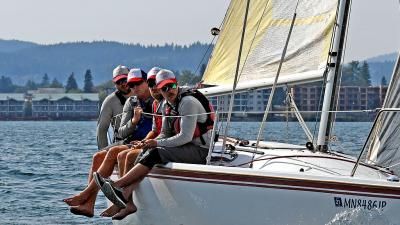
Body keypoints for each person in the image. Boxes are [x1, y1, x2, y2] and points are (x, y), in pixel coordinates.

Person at [94, 69, 215, 220]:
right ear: (159, 88)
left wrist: (156, 143)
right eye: (163, 88)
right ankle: (124, 195)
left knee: (155, 153)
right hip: (185, 147)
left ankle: (117, 185)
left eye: (170, 86)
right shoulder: (166, 104)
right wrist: (147, 143)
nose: (168, 91)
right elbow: (164, 132)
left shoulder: (187, 102)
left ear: (176, 83)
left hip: (200, 150)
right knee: (148, 152)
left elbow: (185, 137)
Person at [63, 68, 153, 217]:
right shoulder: (115, 101)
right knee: (98, 156)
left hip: (135, 142)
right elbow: (102, 129)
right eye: (121, 82)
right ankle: (89, 204)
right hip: (125, 140)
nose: (126, 85)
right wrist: (133, 121)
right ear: (115, 83)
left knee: (114, 154)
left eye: (127, 81)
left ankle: (87, 196)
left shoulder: (155, 98)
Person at [97, 65, 131, 150]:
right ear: (114, 83)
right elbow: (102, 130)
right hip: (121, 144)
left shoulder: (141, 94)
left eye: (125, 79)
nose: (123, 83)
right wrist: (102, 151)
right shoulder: (109, 101)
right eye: (119, 81)